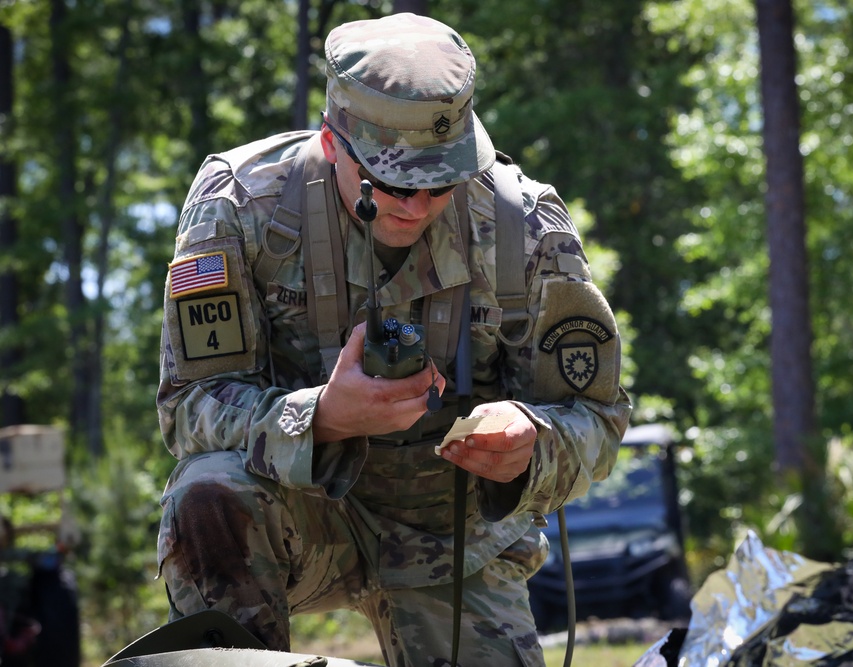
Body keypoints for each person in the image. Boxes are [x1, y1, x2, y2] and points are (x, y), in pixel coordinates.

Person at [156, 12, 631, 667]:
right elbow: (190, 406)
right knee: (207, 492)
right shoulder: (242, 207)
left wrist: (532, 440)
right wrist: (319, 416)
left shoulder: (521, 224)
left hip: (458, 539)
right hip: (303, 511)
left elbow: (599, 418)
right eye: (396, 182)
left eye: (443, 181)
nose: (418, 204)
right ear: (331, 142)